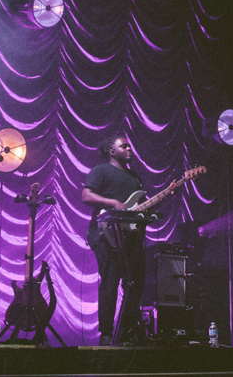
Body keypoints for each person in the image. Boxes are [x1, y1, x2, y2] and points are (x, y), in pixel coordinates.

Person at [82, 136, 148, 346]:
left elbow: (143, 206)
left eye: (129, 145)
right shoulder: (101, 170)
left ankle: (127, 332)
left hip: (130, 237)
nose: (129, 149)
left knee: (136, 284)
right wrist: (112, 203)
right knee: (110, 281)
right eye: (124, 146)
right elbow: (86, 196)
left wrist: (169, 193)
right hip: (106, 233)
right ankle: (106, 334)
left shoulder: (135, 177)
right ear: (112, 151)